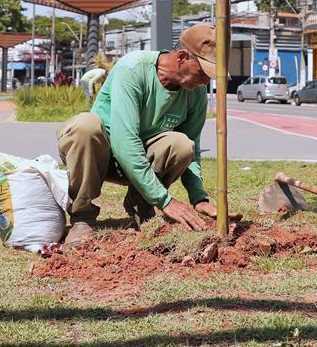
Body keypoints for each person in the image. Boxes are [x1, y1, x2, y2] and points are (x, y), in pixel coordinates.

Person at [57, 23, 238, 245]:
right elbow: (125, 143)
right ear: (182, 57)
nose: (206, 81)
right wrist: (165, 200)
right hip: (100, 157)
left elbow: (193, 148)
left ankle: (140, 202)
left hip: (138, 163)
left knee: (183, 145)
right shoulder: (133, 69)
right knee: (85, 126)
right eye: (203, 72)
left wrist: (198, 197)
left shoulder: (195, 93)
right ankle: (82, 217)